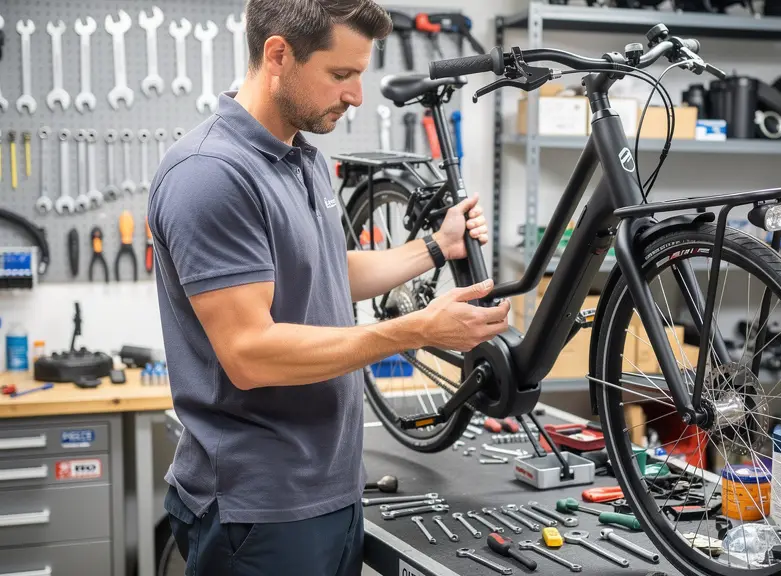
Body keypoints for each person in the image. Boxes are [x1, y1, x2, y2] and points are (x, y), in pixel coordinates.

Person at [147, 0, 510, 573]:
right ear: (278, 55)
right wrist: (415, 330)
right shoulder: (210, 173)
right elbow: (250, 354)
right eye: (341, 73)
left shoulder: (301, 157)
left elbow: (324, 269)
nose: (356, 96)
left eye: (359, 74)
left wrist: (437, 247)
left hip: (332, 490)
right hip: (260, 510)